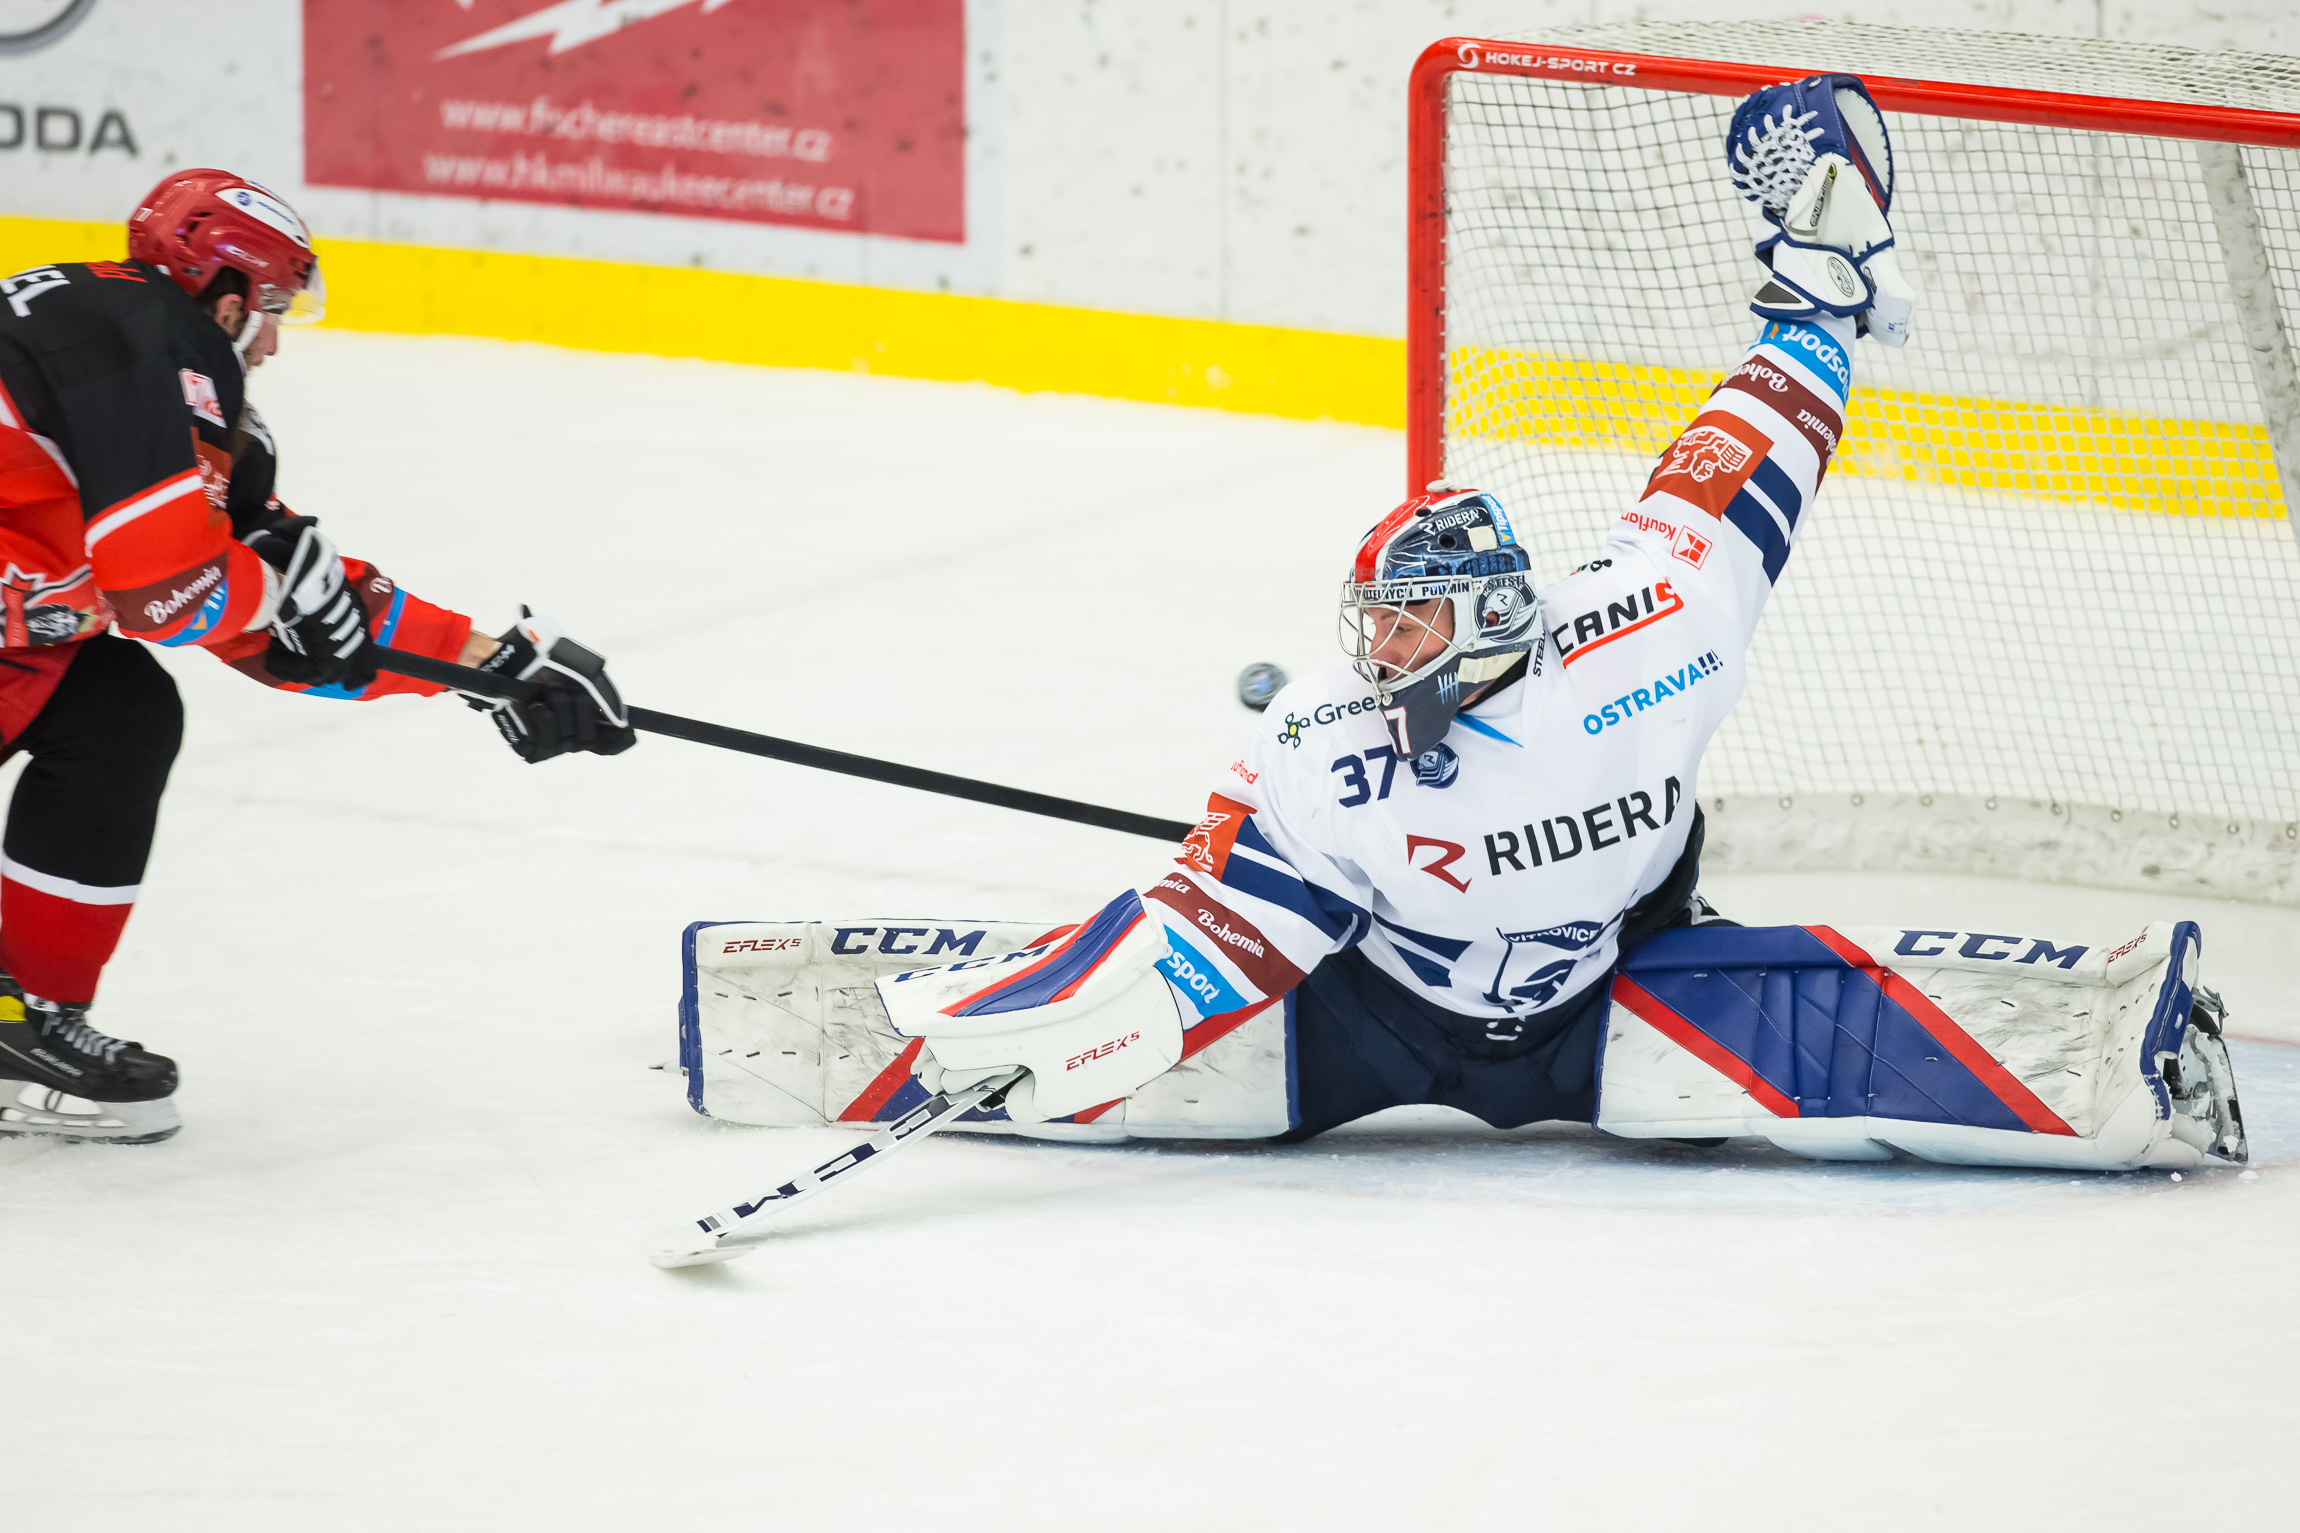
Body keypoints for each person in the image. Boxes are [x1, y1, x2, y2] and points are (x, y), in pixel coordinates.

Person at [865, 76, 2242, 1171]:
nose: (1380, 653)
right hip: (1372, 1013)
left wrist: (1819, 292)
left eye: (1411, 623)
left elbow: (1740, 456)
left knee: (1823, 1031)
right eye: (1374, 624)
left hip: (1613, 994)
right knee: (1129, 1052)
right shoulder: (1320, 740)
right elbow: (1211, 926)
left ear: (1492, 614)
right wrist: (1081, 1016)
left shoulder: (1649, 622)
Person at [0, 170, 634, 1144]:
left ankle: (24, 1028)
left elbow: (267, 603)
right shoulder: (157, 347)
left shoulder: (117, 340)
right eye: (273, 309)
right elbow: (167, 593)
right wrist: (279, 594)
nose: (273, 341)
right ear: (225, 296)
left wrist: (490, 662)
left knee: (116, 712)